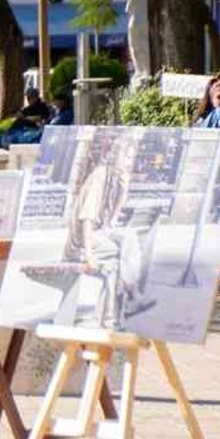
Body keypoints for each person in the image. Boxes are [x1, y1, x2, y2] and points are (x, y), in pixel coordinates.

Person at [65, 134, 156, 325]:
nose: (129, 162)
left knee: (127, 239)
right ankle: (129, 297)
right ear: (115, 156)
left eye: (132, 157)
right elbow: (87, 220)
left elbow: (112, 220)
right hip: (81, 241)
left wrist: (123, 188)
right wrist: (89, 255)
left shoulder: (115, 179)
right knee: (118, 258)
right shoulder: (99, 176)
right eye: (126, 156)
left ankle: (109, 315)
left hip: (98, 234)